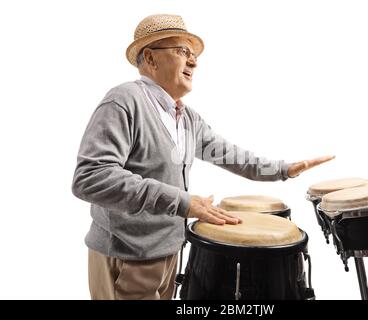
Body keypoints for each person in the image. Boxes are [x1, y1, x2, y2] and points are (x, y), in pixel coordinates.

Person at [72, 14, 334, 300]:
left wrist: (284, 170)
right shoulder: (124, 101)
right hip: (126, 254)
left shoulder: (186, 118)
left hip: (170, 251)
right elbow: (91, 178)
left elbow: (231, 155)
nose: (194, 62)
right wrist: (183, 202)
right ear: (150, 58)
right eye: (182, 52)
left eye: (193, 54)